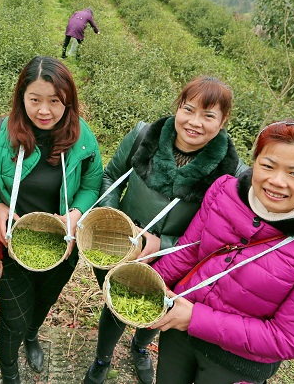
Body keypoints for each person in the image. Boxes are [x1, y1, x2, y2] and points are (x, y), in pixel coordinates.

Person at [151, 120, 294, 384]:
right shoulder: (224, 192)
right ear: (255, 161)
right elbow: (189, 251)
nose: (277, 181)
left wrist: (196, 319)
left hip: (235, 364)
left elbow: (289, 338)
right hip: (178, 334)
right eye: (267, 166)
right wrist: (149, 284)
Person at [82, 76, 246, 384]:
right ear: (178, 107)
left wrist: (164, 243)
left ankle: (141, 347)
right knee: (115, 303)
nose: (195, 122)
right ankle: (102, 359)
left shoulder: (231, 172)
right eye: (189, 109)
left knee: (160, 306)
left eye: (209, 115)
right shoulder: (145, 135)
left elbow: (219, 234)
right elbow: (111, 176)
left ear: (223, 121)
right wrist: (114, 220)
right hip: (121, 245)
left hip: (179, 258)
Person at [0, 55, 103, 384]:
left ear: (67, 101)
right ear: (21, 98)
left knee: (42, 303)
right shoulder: (0, 133)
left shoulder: (81, 137)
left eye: (55, 101)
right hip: (13, 244)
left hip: (61, 246)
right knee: (12, 318)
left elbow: (91, 182)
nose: (44, 111)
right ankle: (10, 373)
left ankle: (33, 336)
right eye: (35, 100)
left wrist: (76, 213)